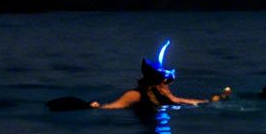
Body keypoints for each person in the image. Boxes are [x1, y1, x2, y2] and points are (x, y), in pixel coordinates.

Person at [91, 42, 230, 109]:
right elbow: (116, 106)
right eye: (163, 81)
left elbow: (177, 100)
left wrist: (208, 102)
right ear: (155, 81)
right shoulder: (135, 95)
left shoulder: (162, 93)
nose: (166, 84)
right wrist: (97, 107)